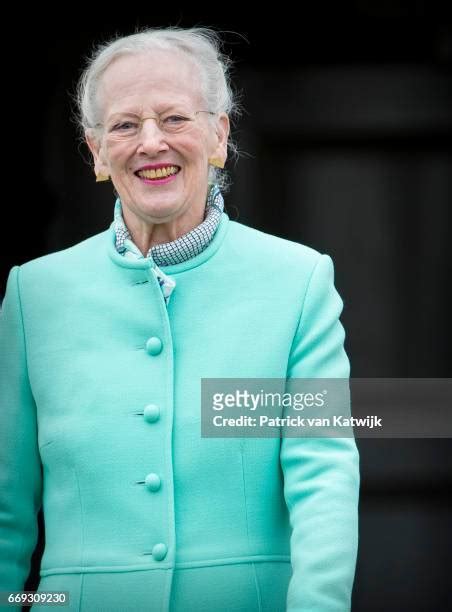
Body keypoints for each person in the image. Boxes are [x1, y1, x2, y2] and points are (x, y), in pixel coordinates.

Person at [0, 27, 359, 611]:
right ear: (94, 151)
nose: (150, 143)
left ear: (218, 134)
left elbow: (324, 478)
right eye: (123, 125)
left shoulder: (297, 281)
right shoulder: (32, 294)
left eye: (174, 119)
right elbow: (6, 508)